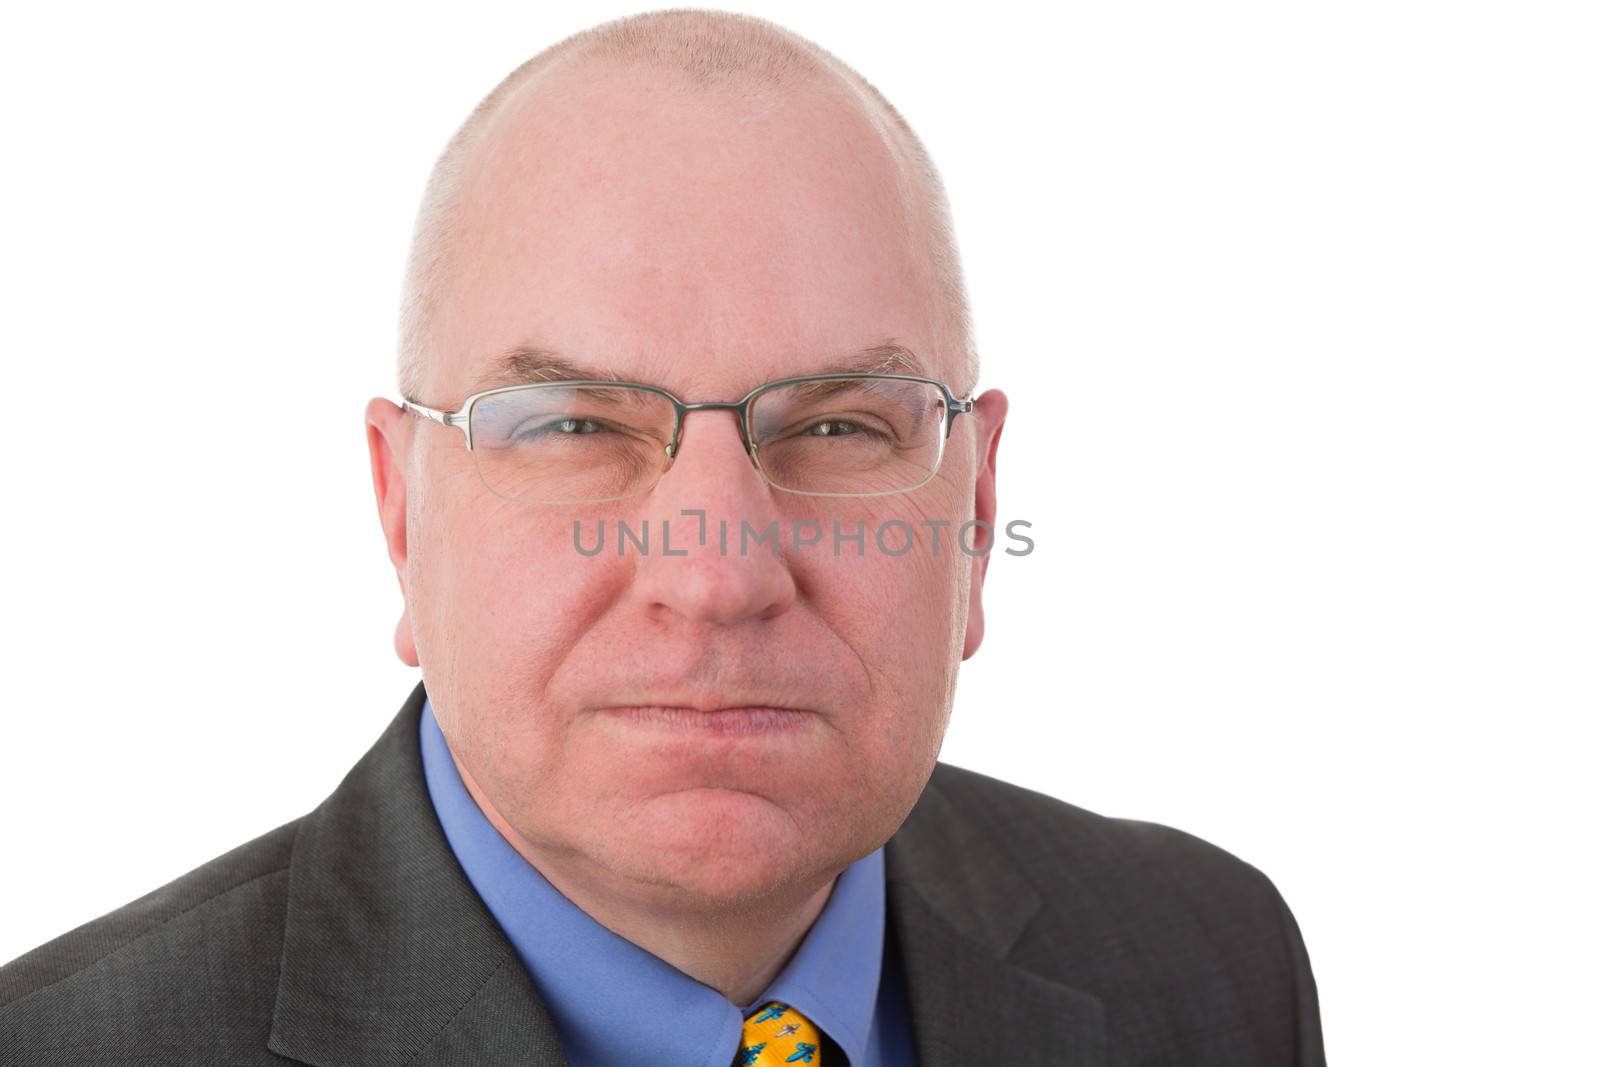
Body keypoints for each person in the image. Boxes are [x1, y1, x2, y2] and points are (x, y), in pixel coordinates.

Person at [0, 10, 1324, 1065]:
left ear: (975, 517)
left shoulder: (1209, 965)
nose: (718, 576)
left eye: (842, 430)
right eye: (577, 429)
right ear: (402, 518)